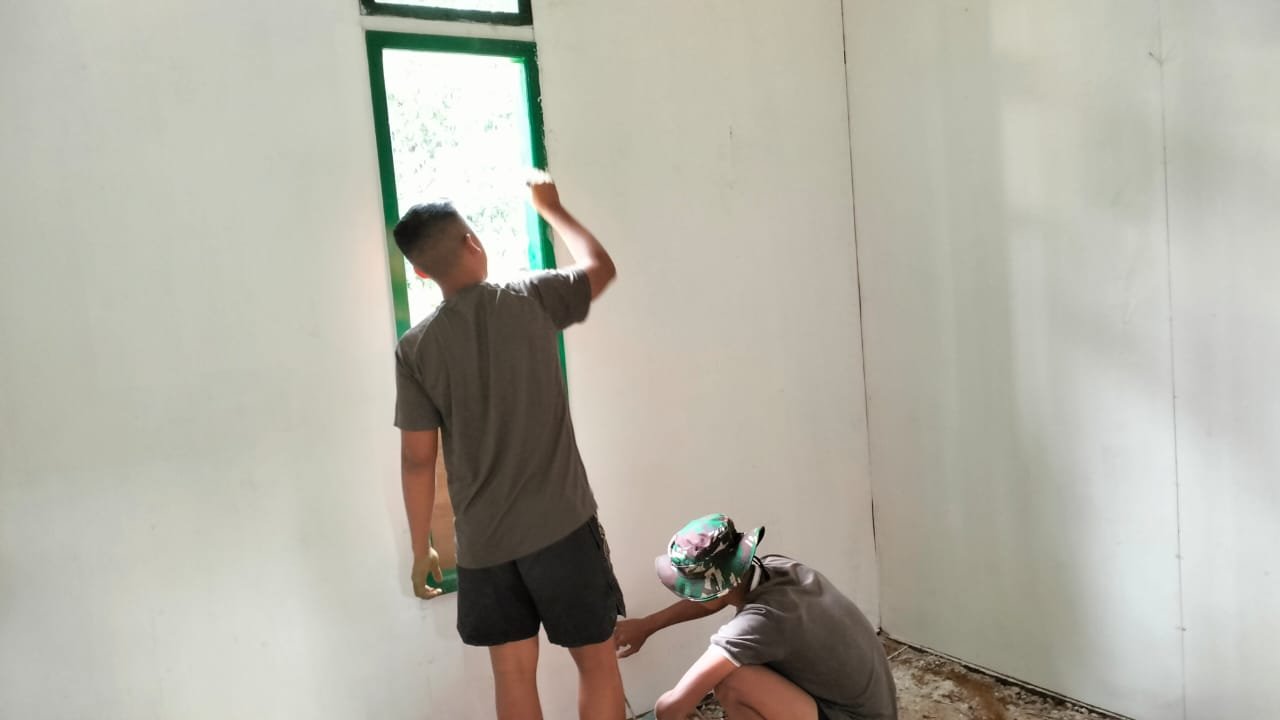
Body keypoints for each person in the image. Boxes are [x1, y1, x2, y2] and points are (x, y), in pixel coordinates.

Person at [392, 174, 626, 720]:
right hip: (561, 527)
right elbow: (601, 267)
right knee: (596, 663)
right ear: (473, 242)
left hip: (485, 545)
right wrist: (552, 208)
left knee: (513, 674)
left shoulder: (415, 349)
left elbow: (417, 460)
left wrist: (422, 546)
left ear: (421, 272)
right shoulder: (530, 297)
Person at [614, 514, 898, 720]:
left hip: (853, 716)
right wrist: (648, 626)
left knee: (733, 682)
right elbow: (713, 600)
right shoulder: (775, 568)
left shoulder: (759, 622)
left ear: (715, 589)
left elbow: (671, 707)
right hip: (871, 708)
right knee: (734, 672)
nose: (691, 595)